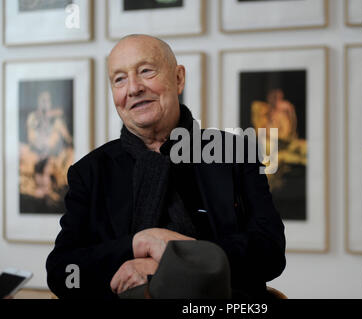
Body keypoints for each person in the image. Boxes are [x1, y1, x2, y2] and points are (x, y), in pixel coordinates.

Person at [46, 34, 286, 299]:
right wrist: (139, 244)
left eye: (146, 71)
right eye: (119, 79)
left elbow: (270, 254)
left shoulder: (234, 153)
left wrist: (172, 261)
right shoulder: (90, 172)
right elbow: (63, 274)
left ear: (178, 78)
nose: (133, 88)